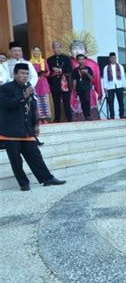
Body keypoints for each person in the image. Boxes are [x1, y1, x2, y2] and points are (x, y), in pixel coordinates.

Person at [0, 63, 66, 191]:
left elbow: (32, 107)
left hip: (26, 130)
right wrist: (23, 96)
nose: (25, 76)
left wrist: (35, 124)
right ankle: (23, 183)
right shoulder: (5, 88)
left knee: (35, 155)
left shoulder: (28, 88)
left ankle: (47, 178)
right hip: (10, 131)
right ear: (15, 74)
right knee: (16, 160)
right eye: (22, 73)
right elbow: (7, 104)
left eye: (26, 73)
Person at [46, 41, 73, 122]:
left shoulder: (66, 58)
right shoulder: (49, 60)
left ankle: (69, 118)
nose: (56, 49)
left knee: (66, 103)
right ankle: (57, 119)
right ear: (52, 49)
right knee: (56, 103)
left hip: (64, 83)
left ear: (61, 48)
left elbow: (70, 69)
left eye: (58, 47)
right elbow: (48, 71)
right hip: (54, 83)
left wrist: (60, 70)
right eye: (54, 47)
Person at [30, 46, 52, 124]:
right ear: (32, 52)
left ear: (40, 52)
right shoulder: (30, 62)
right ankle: (39, 119)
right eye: (35, 51)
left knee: (44, 100)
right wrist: (36, 74)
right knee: (37, 100)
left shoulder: (43, 61)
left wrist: (44, 73)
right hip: (35, 83)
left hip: (43, 82)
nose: (36, 52)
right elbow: (29, 73)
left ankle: (45, 118)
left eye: (38, 51)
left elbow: (48, 72)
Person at [102, 52, 126, 119]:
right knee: (111, 102)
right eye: (112, 57)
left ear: (116, 58)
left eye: (114, 57)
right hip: (110, 86)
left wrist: (125, 86)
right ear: (109, 58)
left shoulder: (120, 66)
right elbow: (105, 78)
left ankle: (121, 115)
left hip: (119, 86)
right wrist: (105, 87)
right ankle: (112, 116)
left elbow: (123, 76)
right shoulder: (106, 67)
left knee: (121, 101)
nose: (113, 59)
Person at [72, 54, 93, 120]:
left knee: (87, 100)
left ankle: (88, 115)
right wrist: (74, 89)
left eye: (82, 59)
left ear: (84, 60)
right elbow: (74, 80)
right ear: (77, 60)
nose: (81, 60)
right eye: (80, 59)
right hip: (79, 87)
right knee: (82, 101)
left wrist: (86, 73)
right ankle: (85, 116)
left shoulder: (88, 68)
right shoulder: (75, 70)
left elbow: (91, 78)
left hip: (86, 87)